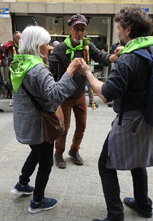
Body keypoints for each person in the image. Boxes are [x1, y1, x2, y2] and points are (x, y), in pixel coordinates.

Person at [78, 6, 153, 221]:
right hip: (148, 118)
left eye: (119, 27)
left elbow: (106, 94)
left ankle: (115, 218)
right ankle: (144, 205)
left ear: (128, 29)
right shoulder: (152, 51)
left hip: (130, 121)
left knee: (105, 166)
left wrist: (88, 73)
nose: (117, 32)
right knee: (138, 162)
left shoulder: (129, 59)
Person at [10, 25, 84, 213]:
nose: (49, 48)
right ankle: (37, 202)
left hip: (25, 122)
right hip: (39, 125)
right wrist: (70, 69)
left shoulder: (18, 62)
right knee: (45, 162)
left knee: (36, 152)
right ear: (37, 46)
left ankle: (22, 184)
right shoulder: (37, 69)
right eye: (46, 44)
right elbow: (56, 94)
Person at [49, 14, 120, 169]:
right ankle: (58, 153)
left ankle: (74, 150)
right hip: (65, 96)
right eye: (77, 29)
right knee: (64, 127)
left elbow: (101, 56)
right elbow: (51, 70)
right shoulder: (60, 48)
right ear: (70, 29)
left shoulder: (86, 45)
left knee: (82, 125)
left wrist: (113, 57)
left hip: (80, 94)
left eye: (83, 29)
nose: (80, 33)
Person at [3, 31, 21, 106]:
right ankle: (14, 98)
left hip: (22, 69)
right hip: (14, 69)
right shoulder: (12, 47)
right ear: (14, 38)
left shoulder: (23, 46)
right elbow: (10, 58)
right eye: (18, 37)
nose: (20, 39)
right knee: (14, 85)